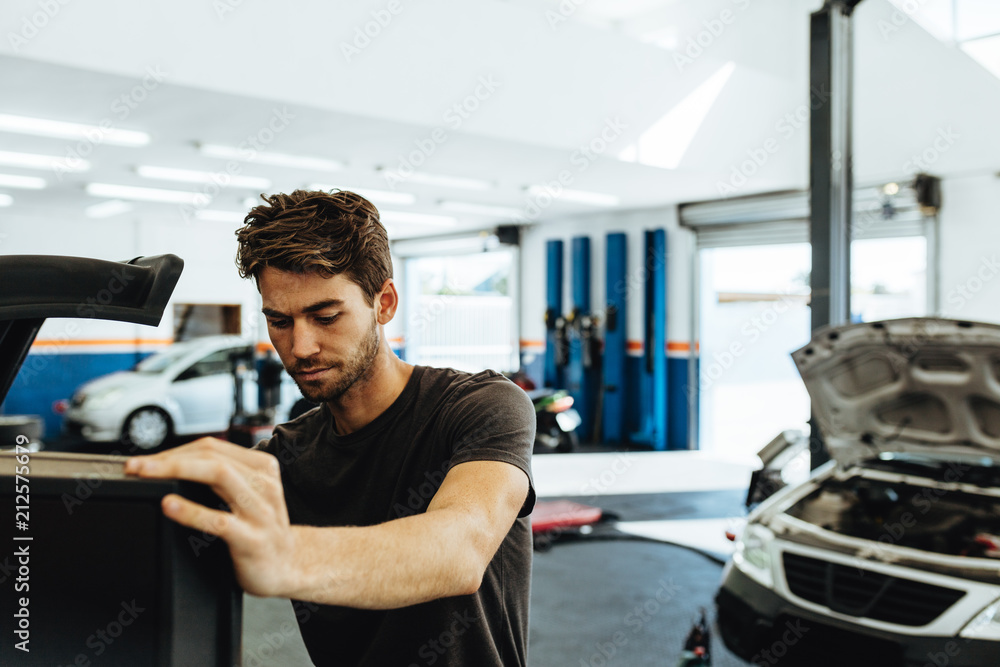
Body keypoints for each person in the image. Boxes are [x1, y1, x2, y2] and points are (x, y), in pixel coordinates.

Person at [124, 189, 536, 666]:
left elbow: (460, 550)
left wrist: (288, 557)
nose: (300, 347)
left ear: (383, 303)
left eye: (325, 317)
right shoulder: (281, 461)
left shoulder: (479, 406)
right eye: (279, 321)